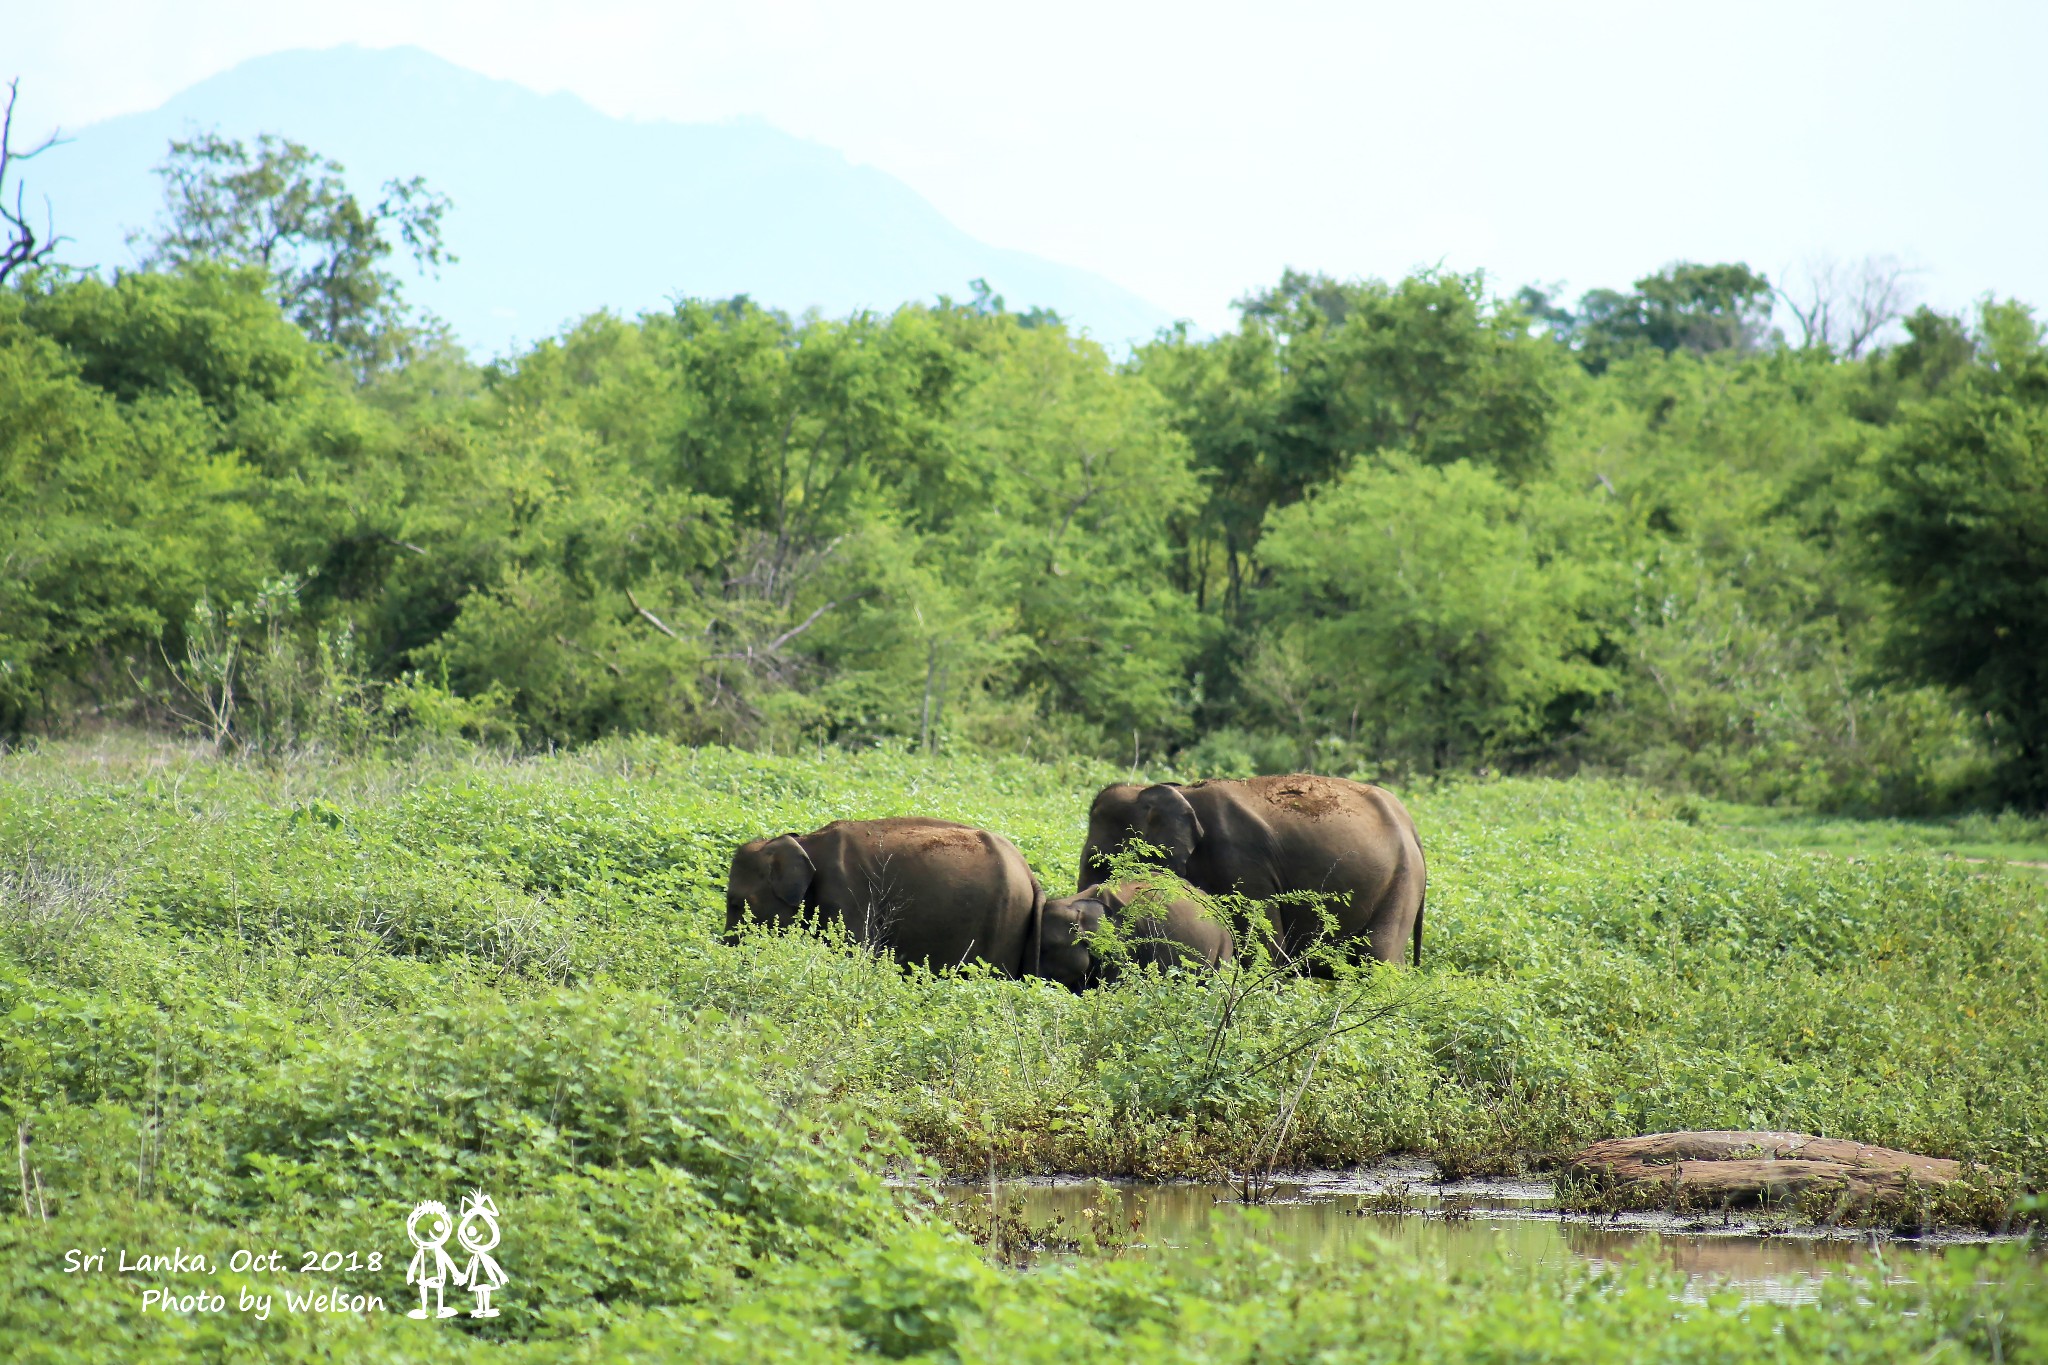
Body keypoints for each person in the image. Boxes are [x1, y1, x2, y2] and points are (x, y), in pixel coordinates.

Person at [404, 1199, 463, 1319]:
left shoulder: (437, 1250)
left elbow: (448, 1261)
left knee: (439, 1290)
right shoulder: (422, 1250)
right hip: (424, 1275)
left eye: (437, 1228)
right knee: (425, 1290)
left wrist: (456, 1273)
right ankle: (424, 1309)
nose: (431, 1233)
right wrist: (410, 1274)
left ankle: (439, 1308)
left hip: (437, 1274)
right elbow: (415, 1262)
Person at [456, 1189, 508, 1318]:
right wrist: (465, 1276)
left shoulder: (484, 1256)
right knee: (480, 1291)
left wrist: (501, 1274)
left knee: (486, 1290)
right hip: (477, 1276)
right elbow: (470, 1266)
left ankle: (486, 1309)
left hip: (485, 1275)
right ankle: (481, 1309)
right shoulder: (476, 1256)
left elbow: (492, 1264)